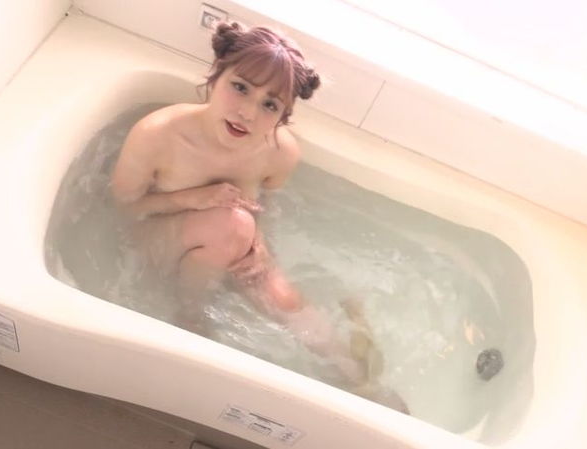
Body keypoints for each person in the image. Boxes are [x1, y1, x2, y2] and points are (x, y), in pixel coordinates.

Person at [110, 22, 399, 404]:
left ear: (283, 115)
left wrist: (259, 244)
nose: (247, 113)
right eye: (241, 87)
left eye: (269, 105)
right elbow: (124, 210)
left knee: (286, 300)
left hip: (229, 240)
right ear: (216, 75)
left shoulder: (279, 153)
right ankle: (189, 313)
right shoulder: (158, 134)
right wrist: (191, 199)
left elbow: (263, 210)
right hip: (157, 242)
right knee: (231, 225)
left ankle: (363, 386)